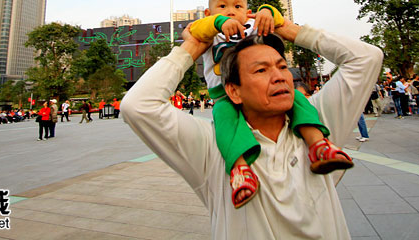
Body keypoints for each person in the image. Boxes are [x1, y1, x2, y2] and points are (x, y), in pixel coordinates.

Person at [122, 14, 383, 238]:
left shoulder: (317, 127)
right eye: (261, 70)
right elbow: (138, 105)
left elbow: (367, 58)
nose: (279, 75)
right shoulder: (213, 147)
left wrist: (286, 29)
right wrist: (191, 47)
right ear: (233, 91)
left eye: (282, 66)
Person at [188, 0, 352, 208]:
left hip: (256, 89)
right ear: (209, 13)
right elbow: (194, 30)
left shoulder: (250, 26)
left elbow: (275, 18)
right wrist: (219, 23)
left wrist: (266, 11)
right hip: (225, 94)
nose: (230, 11)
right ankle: (240, 169)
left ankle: (318, 145)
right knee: (223, 119)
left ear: (247, 11)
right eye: (222, 6)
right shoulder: (211, 30)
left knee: (296, 99)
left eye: (237, 6)